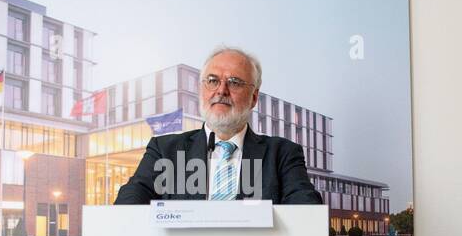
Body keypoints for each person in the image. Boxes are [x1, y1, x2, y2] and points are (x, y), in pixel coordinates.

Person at [113, 46, 323, 205]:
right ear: (201, 90)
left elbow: (304, 206)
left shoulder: (282, 154)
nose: (221, 90)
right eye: (212, 81)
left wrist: (317, 234)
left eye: (234, 82)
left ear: (254, 98)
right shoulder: (164, 150)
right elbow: (130, 201)